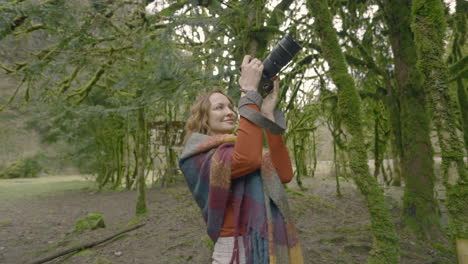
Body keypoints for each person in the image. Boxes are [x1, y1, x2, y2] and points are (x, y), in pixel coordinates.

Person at [179, 55, 303, 264]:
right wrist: (249, 93)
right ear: (203, 118)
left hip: (266, 241)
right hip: (235, 250)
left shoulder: (240, 146)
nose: (229, 112)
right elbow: (246, 160)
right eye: (219, 108)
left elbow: (284, 173)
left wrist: (267, 115)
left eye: (230, 106)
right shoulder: (198, 155)